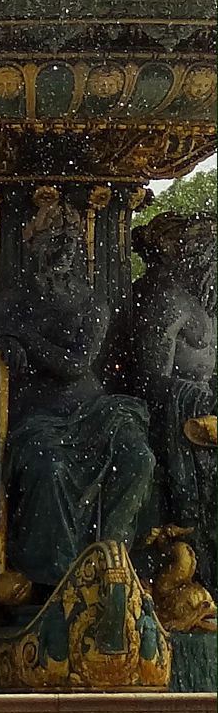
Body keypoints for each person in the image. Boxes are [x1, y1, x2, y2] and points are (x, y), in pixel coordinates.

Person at [0, 191, 154, 589]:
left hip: (97, 412)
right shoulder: (13, 300)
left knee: (138, 457)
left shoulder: (94, 302)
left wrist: (22, 336)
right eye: (53, 242)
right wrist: (0, 347)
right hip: (39, 419)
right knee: (47, 466)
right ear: (32, 247)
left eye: (70, 243)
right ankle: (56, 579)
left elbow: (76, 364)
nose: (63, 251)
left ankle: (114, 563)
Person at [132, 212, 217, 591]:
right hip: (183, 425)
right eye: (204, 249)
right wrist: (199, 400)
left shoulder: (200, 299)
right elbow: (152, 381)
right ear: (179, 252)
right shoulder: (166, 299)